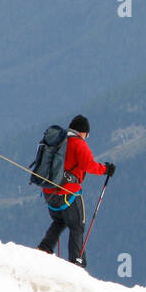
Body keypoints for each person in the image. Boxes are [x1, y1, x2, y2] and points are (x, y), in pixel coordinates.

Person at [36, 114, 115, 267]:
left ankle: (44, 248)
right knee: (77, 225)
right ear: (83, 132)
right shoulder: (78, 144)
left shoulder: (58, 140)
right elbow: (88, 165)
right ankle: (76, 262)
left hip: (49, 191)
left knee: (59, 221)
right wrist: (105, 170)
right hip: (68, 194)